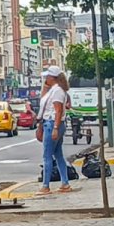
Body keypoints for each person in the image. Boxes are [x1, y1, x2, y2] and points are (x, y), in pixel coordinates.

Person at [36, 66, 71, 194]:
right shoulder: (55, 90)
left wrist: (55, 128)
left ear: (52, 78)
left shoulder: (57, 91)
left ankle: (45, 186)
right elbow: (43, 100)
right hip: (52, 124)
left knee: (47, 156)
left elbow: (58, 110)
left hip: (52, 124)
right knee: (58, 155)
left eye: (47, 77)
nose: (45, 79)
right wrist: (45, 86)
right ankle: (65, 183)